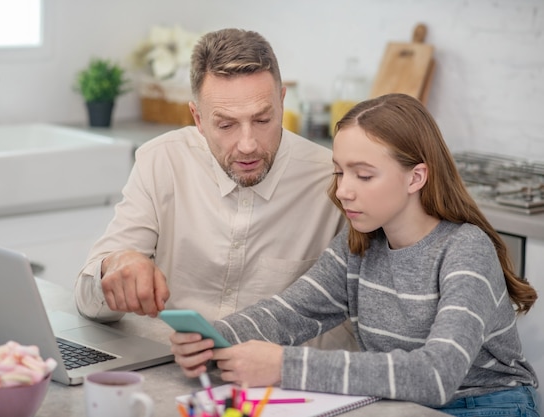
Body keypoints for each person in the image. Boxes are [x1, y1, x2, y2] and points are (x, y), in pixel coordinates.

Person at [170, 93, 540, 416]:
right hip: (401, 406)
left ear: (416, 178)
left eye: (363, 176)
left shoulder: (466, 249)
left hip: (487, 407)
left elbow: (435, 376)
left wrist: (285, 365)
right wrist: (212, 337)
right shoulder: (359, 244)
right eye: (339, 173)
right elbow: (291, 313)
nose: (344, 191)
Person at [74, 28, 356, 350]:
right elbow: (86, 300)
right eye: (226, 125)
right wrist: (115, 266)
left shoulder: (332, 178)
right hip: (175, 371)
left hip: (283, 385)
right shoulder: (161, 161)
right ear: (197, 117)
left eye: (263, 120)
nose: (248, 145)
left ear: (281, 102)